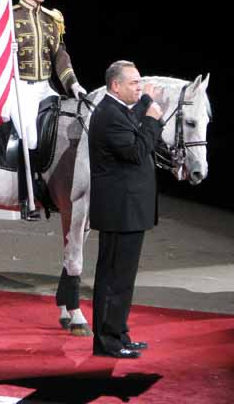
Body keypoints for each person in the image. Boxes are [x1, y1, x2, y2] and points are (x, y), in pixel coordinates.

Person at [88, 60, 163, 358]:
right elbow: (136, 151)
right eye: (134, 83)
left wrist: (146, 100)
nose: (139, 87)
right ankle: (107, 342)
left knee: (123, 279)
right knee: (113, 279)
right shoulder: (109, 115)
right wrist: (153, 118)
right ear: (115, 85)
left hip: (128, 211)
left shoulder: (117, 109)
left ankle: (119, 333)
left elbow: (132, 115)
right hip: (120, 211)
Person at [10, 0, 86, 220]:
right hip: (19, 87)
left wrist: (72, 83)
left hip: (45, 87)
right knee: (29, 136)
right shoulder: (9, 17)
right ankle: (26, 198)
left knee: (61, 127)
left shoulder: (52, 18)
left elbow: (60, 57)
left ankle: (52, 186)